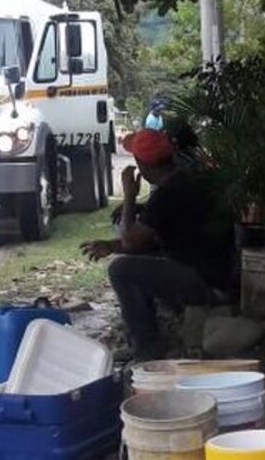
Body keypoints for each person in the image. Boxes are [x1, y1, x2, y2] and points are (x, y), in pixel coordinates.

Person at [82, 129, 234, 361]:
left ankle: (146, 345)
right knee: (135, 260)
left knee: (120, 270)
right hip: (215, 270)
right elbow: (145, 239)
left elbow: (132, 241)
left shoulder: (168, 193)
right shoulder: (188, 180)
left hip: (205, 279)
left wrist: (130, 197)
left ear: (142, 165)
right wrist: (112, 246)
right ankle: (151, 335)